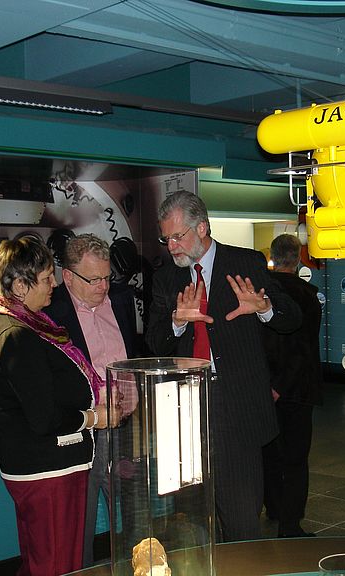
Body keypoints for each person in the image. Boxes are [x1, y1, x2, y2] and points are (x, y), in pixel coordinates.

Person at [145, 191, 301, 542]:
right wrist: (176, 323)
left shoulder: (246, 264)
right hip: (182, 407)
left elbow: (292, 319)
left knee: (241, 516)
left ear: (202, 227)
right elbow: (154, 342)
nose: (171, 246)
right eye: (165, 238)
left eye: (177, 236)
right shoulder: (167, 278)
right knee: (192, 517)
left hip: (236, 406)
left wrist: (263, 308)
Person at [0, 235, 115, 576]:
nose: (53, 283)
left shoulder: (21, 324)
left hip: (44, 467)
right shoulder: (16, 335)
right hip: (47, 470)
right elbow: (44, 418)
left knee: (44, 560)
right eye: (45, 278)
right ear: (21, 286)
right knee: (57, 564)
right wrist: (94, 418)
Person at [43, 233, 139, 567]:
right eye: (93, 279)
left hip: (130, 430)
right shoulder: (52, 313)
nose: (103, 286)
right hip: (83, 434)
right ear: (67, 276)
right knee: (79, 528)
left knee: (137, 524)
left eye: (107, 277)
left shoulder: (123, 299)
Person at [261, 234, 322, 538]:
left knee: (270, 451)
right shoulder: (307, 297)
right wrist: (283, 385)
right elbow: (304, 350)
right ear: (297, 258)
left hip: (265, 388)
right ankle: (290, 522)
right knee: (296, 457)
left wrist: (269, 385)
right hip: (297, 390)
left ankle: (273, 507)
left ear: (272, 256)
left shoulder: (261, 293)